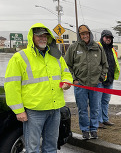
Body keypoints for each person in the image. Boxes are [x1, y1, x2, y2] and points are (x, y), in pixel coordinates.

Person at [4, 23, 73, 153]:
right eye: (39, 35)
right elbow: (12, 85)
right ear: (32, 37)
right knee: (33, 148)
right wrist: (18, 110)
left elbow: (66, 73)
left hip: (55, 109)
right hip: (34, 111)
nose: (43, 38)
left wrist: (67, 81)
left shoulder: (55, 55)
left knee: (51, 146)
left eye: (45, 35)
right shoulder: (20, 58)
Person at [64, 25, 109, 139]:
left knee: (95, 108)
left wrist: (101, 77)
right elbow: (66, 65)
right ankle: (84, 130)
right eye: (82, 34)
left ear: (90, 34)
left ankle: (94, 129)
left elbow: (105, 64)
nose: (85, 36)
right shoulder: (74, 48)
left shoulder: (98, 48)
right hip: (80, 85)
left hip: (96, 84)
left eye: (87, 34)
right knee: (82, 109)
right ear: (79, 36)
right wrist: (74, 78)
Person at [97, 30, 120, 129]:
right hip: (99, 80)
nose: (108, 39)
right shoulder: (97, 47)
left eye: (110, 38)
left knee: (105, 101)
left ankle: (105, 119)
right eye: (106, 37)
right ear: (102, 37)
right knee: (97, 101)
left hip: (109, 79)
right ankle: (98, 121)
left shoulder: (112, 50)